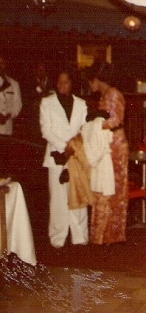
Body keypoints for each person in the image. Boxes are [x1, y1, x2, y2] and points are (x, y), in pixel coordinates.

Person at [40, 69, 88, 248]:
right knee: (58, 198)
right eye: (59, 82)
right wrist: (63, 148)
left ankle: (79, 236)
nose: (62, 85)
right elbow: (46, 130)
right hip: (56, 156)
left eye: (66, 82)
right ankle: (58, 236)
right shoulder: (47, 103)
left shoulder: (82, 104)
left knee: (78, 195)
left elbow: (83, 130)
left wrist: (72, 149)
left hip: (76, 156)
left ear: (72, 83)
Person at [86, 60, 129, 245]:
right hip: (106, 144)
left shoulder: (113, 94)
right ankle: (102, 234)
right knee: (104, 186)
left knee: (113, 188)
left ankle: (111, 234)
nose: (89, 85)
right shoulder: (105, 95)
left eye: (90, 81)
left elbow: (116, 120)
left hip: (115, 146)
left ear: (96, 79)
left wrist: (95, 122)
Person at [0, 55, 22, 136]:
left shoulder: (14, 84)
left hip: (7, 129)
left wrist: (9, 114)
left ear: (5, 65)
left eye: (2, 63)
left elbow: (18, 105)